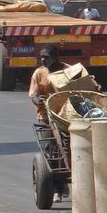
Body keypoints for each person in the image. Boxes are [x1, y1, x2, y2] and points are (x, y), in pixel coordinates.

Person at [28, 44, 71, 203]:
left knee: (67, 151)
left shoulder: (69, 70)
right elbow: (33, 95)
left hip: (65, 118)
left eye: (46, 57)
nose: (43, 59)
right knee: (52, 153)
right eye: (42, 57)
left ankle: (64, 182)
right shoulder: (39, 73)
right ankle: (58, 188)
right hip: (45, 118)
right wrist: (37, 100)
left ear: (56, 56)